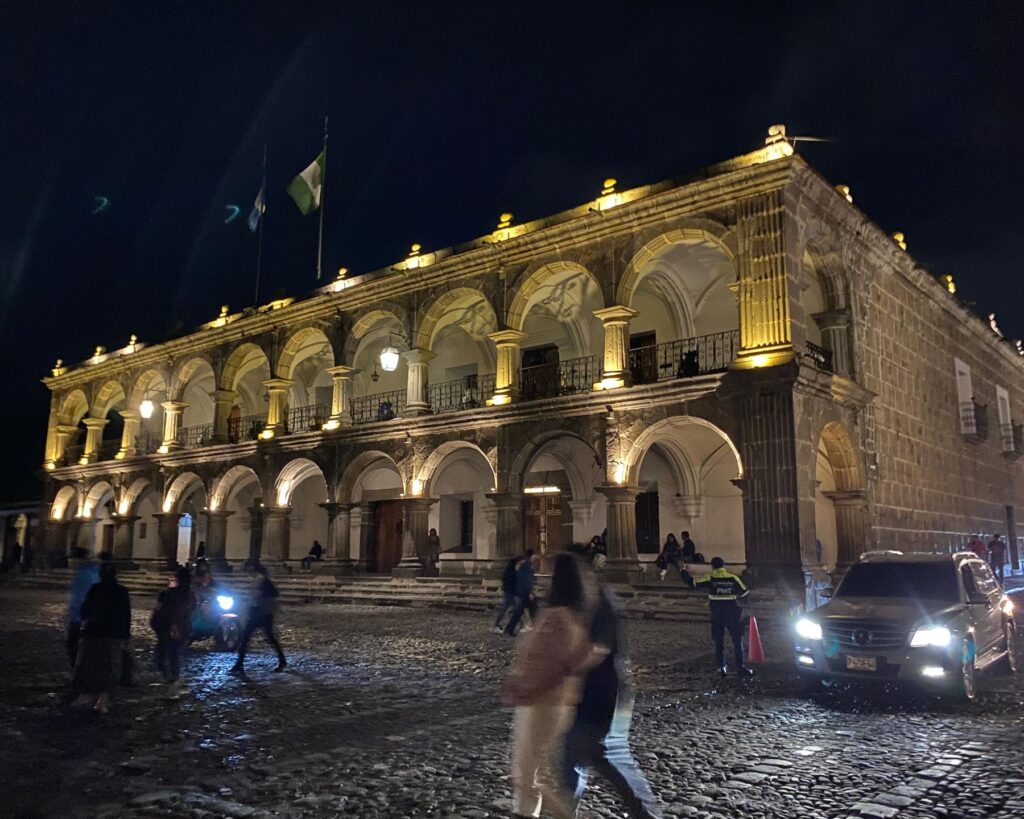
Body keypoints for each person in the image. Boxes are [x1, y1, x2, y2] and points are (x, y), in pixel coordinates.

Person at [563, 546, 662, 818]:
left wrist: (566, 668)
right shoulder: (589, 600)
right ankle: (564, 808)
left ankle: (642, 812)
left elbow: (600, 648)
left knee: (595, 754)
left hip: (604, 690)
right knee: (577, 754)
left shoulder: (602, 602)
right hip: (594, 689)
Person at [502, 552, 600, 819]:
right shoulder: (573, 615)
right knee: (537, 773)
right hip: (554, 702)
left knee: (527, 774)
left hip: (542, 702)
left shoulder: (557, 619)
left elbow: (554, 663)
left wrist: (525, 687)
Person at [72, 562, 131, 713]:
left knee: (92, 664)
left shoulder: (95, 590)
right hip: (113, 635)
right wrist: (125, 636)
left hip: (95, 633)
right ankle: (102, 700)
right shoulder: (121, 591)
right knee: (110, 667)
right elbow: (125, 616)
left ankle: (88, 695)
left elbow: (85, 610)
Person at [694, 557, 753, 677]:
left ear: (712, 566)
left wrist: (682, 570)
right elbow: (745, 592)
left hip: (717, 613)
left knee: (719, 641)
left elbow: (693, 583)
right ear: (723, 565)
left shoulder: (710, 577)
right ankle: (740, 667)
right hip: (733, 612)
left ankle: (721, 667)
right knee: (737, 640)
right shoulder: (733, 577)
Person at [230, 562, 286, 674]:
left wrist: (260, 597)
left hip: (262, 613)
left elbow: (273, 594)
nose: (249, 572)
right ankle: (239, 664)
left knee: (252, 638)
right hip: (256, 612)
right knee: (251, 638)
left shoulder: (263, 581)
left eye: (251, 570)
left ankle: (239, 665)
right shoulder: (256, 580)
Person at [151, 567, 195, 695]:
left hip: (169, 627)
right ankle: (173, 679)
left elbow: (161, 609)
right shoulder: (189, 594)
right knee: (173, 654)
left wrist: (171, 624)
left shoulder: (169, 594)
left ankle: (171, 680)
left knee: (164, 654)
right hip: (181, 627)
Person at [65, 547, 100, 669]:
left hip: (82, 617)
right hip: (83, 616)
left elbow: (81, 597)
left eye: (72, 559)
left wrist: (76, 616)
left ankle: (79, 671)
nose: (71, 562)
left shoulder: (85, 574)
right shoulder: (88, 572)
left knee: (75, 645)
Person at [494, 551, 529, 634]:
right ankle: (522, 626)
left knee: (514, 609)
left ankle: (522, 625)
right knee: (514, 609)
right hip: (510, 592)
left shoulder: (510, 569)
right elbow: (511, 581)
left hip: (510, 592)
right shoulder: (512, 571)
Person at [505, 552, 539, 636]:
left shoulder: (524, 566)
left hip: (523, 592)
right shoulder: (527, 566)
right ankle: (510, 629)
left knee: (526, 611)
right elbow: (527, 580)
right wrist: (530, 592)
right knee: (528, 611)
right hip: (525, 593)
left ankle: (509, 629)